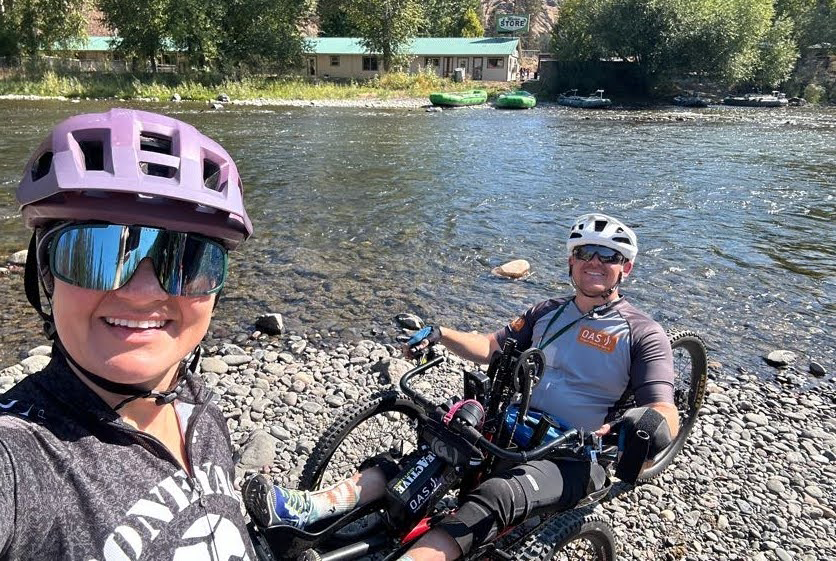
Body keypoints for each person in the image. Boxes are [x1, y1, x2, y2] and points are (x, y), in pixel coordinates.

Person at [243, 213, 678, 561]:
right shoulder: (546, 311)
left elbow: (663, 405)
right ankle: (306, 511)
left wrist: (646, 423)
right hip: (511, 426)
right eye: (586, 252)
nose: (595, 262)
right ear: (571, 261)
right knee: (432, 446)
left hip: (571, 452)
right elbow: (490, 347)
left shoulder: (643, 333)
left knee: (494, 497)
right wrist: (440, 332)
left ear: (626, 267)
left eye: (609, 255)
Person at [0, 109, 256, 559]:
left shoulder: (197, 406)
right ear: (45, 275)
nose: (142, 293)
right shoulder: (24, 455)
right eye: (95, 252)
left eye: (187, 259)